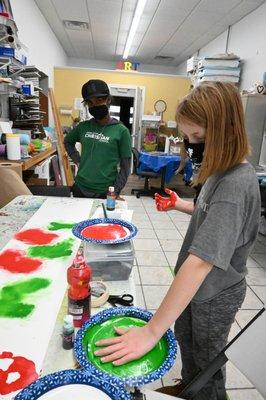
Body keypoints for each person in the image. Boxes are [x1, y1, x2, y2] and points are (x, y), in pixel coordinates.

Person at [93, 82, 261, 399]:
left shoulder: (235, 186)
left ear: (226, 132)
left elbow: (200, 264)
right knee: (186, 341)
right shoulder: (220, 171)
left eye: (198, 138)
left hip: (215, 293)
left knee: (206, 360)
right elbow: (210, 214)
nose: (191, 145)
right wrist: (181, 205)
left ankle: (204, 392)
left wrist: (152, 331)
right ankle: (188, 387)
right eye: (187, 138)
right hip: (198, 290)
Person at [64, 79, 132, 198]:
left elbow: (125, 167)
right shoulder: (83, 127)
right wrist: (77, 159)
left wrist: (115, 191)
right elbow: (68, 141)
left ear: (109, 100)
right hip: (80, 188)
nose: (94, 105)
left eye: (99, 100)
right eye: (90, 102)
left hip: (104, 191)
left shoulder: (121, 131)